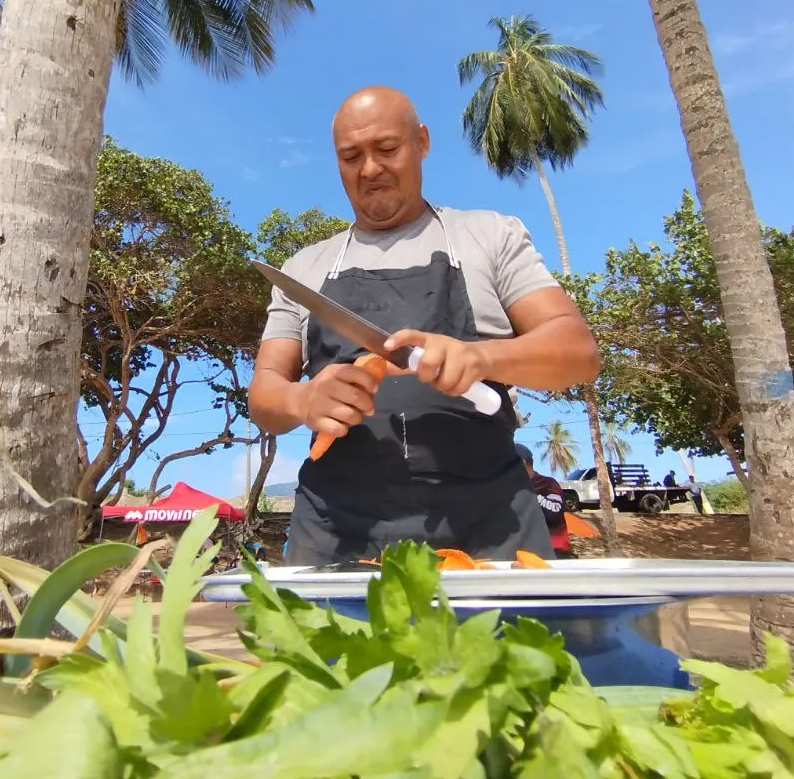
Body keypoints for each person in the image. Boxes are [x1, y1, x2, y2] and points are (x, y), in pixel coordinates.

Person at [249, 86, 600, 565]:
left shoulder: (490, 236)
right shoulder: (304, 269)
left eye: (387, 149)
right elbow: (264, 393)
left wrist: (481, 356)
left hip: (487, 531)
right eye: (351, 156)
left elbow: (577, 353)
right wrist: (301, 399)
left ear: (422, 143)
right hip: (336, 535)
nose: (369, 168)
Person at [517, 444, 573, 559]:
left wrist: (529, 494)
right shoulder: (510, 489)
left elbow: (554, 512)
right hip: (524, 554)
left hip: (554, 552)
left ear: (522, 463)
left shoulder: (548, 484)